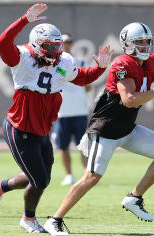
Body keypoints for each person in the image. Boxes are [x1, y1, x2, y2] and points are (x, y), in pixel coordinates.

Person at [0, 3, 113, 234]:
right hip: (19, 127)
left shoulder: (62, 62)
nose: (54, 51)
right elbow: (2, 42)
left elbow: (82, 78)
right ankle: (28, 219)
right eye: (49, 46)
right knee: (40, 180)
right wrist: (24, 19)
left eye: (57, 46)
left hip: (42, 129)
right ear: (36, 45)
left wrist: (100, 67)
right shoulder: (23, 57)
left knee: (38, 175)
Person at [43, 22, 154, 235]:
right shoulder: (121, 63)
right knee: (91, 177)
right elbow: (129, 99)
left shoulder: (152, 61)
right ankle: (54, 220)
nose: (144, 46)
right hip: (104, 130)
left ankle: (134, 198)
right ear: (127, 44)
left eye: (146, 42)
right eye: (139, 42)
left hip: (127, 129)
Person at [53, 33, 90, 186]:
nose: (66, 45)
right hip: (62, 113)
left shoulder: (80, 62)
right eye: (63, 43)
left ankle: (86, 175)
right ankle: (69, 175)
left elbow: (88, 86)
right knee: (63, 146)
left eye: (68, 42)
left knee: (84, 147)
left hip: (80, 113)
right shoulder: (54, 63)